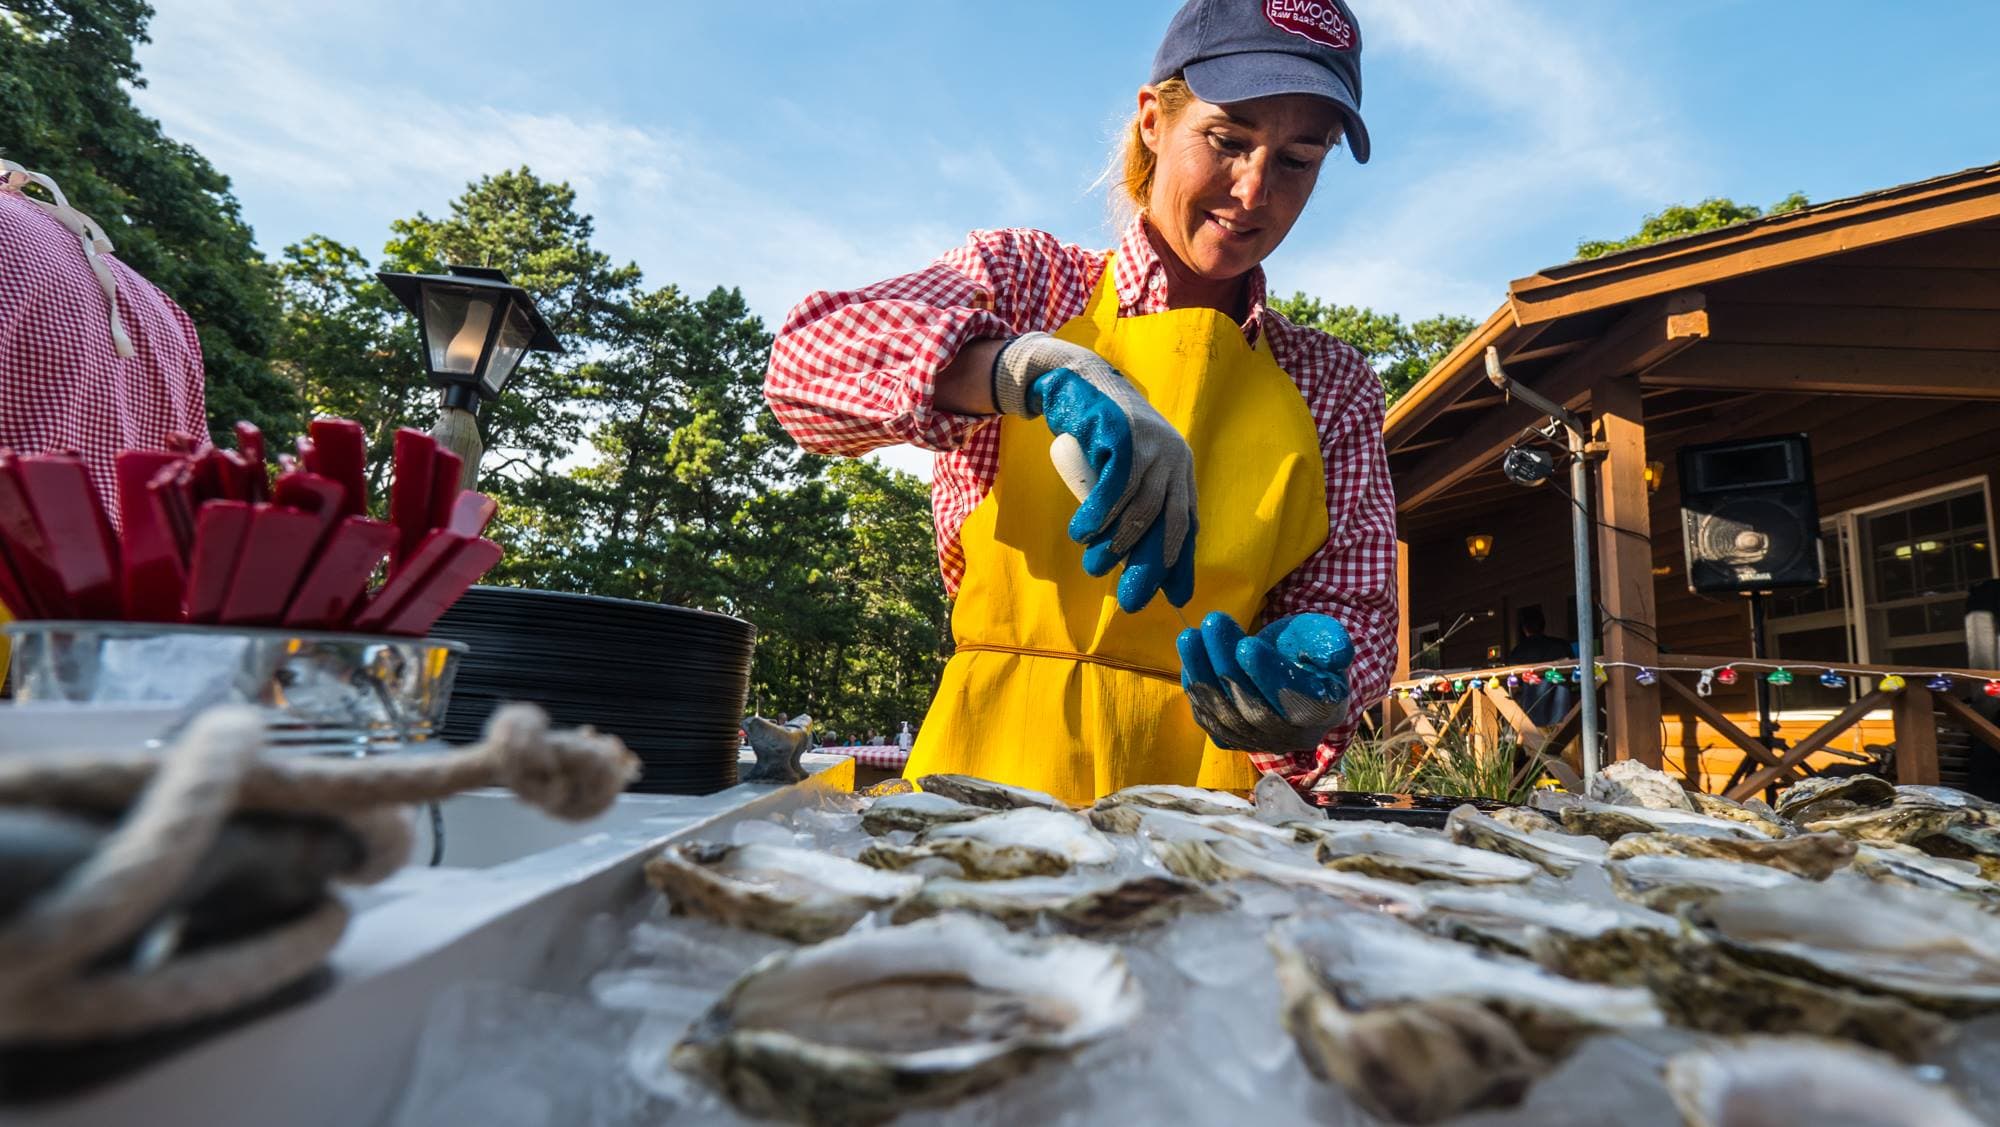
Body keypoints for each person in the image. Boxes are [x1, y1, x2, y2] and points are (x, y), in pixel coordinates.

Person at [765, 0, 1396, 804]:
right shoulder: (1025, 281)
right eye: (1227, 140)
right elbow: (802, 363)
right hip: (981, 783)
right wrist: (1019, 367)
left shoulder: (1332, 383)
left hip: (1205, 816)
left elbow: (1356, 610)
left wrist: (1312, 689)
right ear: (1152, 121)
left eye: (1298, 160)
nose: (1253, 188)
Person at [1506, 605, 1575, 726]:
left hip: (1531, 717)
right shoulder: (1562, 646)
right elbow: (1575, 676)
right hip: (1562, 715)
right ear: (1543, 625)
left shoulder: (1518, 652)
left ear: (1524, 629)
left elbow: (1513, 685)